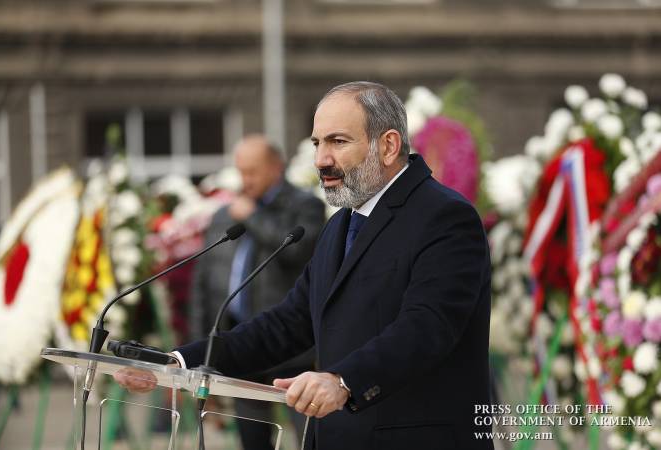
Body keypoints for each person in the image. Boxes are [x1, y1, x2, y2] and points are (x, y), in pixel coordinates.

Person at [117, 82, 493, 450]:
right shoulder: (340, 226)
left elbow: (428, 327)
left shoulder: (444, 217)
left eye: (337, 141)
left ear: (389, 145)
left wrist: (343, 380)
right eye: (317, 143)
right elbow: (286, 324)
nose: (321, 160)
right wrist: (177, 361)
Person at [189, 135, 325, 450]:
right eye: (240, 171)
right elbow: (204, 284)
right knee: (252, 440)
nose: (244, 180)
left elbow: (297, 251)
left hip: (291, 349)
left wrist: (251, 216)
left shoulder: (305, 206)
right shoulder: (225, 214)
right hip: (241, 347)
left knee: (310, 439)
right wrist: (202, 350)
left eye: (252, 171)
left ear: (276, 168)